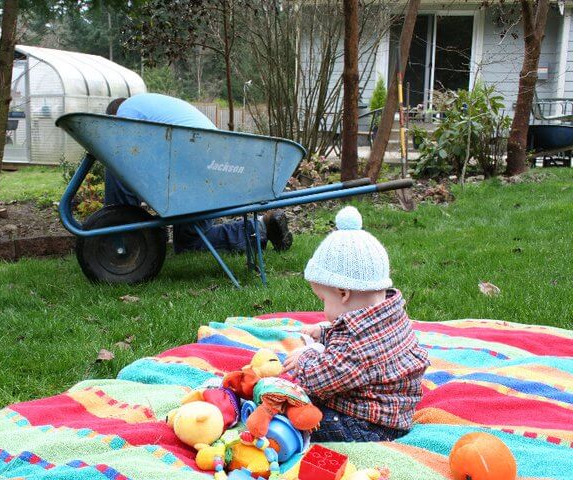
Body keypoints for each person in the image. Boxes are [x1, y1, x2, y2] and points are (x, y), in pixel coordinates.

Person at [282, 206, 429, 442]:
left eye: (323, 300)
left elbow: (320, 379)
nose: (323, 308)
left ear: (343, 293)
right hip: (393, 411)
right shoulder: (386, 314)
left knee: (298, 418)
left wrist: (304, 358)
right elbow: (351, 336)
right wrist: (323, 331)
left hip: (369, 425)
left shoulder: (356, 346)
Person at [101, 93, 293, 254]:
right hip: (204, 165)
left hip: (198, 166)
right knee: (188, 240)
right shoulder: (146, 105)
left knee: (117, 165)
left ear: (113, 116)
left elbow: (133, 161)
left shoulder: (126, 112)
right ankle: (261, 226)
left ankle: (121, 237)